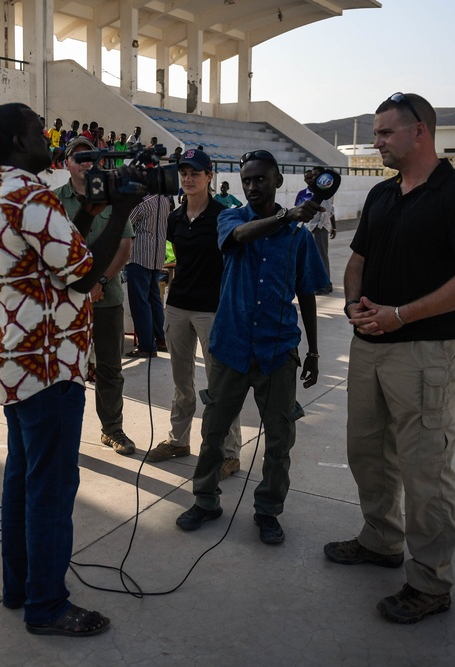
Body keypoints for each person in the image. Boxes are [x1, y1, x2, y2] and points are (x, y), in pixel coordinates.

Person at [323, 93, 455, 624]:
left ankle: (430, 582)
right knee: (368, 453)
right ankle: (380, 540)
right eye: (376, 134)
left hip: (426, 353)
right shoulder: (382, 195)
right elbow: (358, 260)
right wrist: (356, 305)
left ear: (419, 132)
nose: (375, 143)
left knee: (426, 469)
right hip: (369, 347)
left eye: (384, 133)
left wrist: (401, 315)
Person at [0, 102, 144, 638]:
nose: (46, 136)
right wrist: (119, 210)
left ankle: (20, 587)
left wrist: (92, 214)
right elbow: (80, 272)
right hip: (48, 362)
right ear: (19, 142)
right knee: (50, 487)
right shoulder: (32, 193)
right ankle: (47, 605)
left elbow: (50, 254)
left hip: (15, 359)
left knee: (22, 478)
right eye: (36, 131)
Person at [174, 149, 328, 545]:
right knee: (213, 431)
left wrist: (312, 350)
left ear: (278, 180)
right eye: (247, 179)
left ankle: (268, 510)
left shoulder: (298, 238)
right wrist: (283, 216)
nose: (253, 186)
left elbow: (307, 293)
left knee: (279, 439)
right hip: (231, 347)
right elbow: (237, 239)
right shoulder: (232, 218)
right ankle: (205, 499)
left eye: (261, 179)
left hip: (277, 351)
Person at [145, 150, 244, 479]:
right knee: (181, 382)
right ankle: (178, 440)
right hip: (178, 306)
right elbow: (172, 257)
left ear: (209, 176)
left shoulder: (223, 215)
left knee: (219, 386)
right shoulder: (174, 217)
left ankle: (229, 454)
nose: (188, 178)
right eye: (184, 173)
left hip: (213, 311)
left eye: (195, 173)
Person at [54, 136, 136, 456]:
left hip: (107, 296)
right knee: (63, 367)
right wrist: (81, 284)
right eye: (78, 158)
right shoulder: (53, 201)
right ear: (66, 164)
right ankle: (61, 432)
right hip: (65, 301)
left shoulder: (111, 196)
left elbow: (124, 246)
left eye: (90, 158)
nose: (85, 163)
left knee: (110, 367)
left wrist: (100, 279)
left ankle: (112, 429)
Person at [125, 194, 171, 358]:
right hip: (156, 257)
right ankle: (160, 340)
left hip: (139, 257)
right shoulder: (164, 200)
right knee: (154, 299)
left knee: (140, 303)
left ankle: (146, 346)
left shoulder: (141, 204)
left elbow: (125, 225)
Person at [295, 167, 337, 294]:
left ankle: (325, 284)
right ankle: (316, 282)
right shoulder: (305, 193)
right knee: (310, 257)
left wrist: (332, 226)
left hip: (319, 227)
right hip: (308, 227)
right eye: (311, 176)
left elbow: (329, 210)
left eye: (315, 175)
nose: (313, 178)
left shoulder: (325, 192)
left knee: (321, 255)